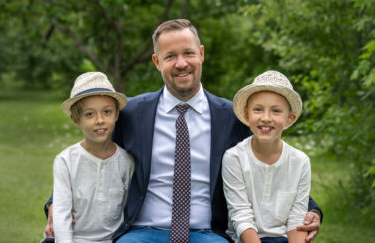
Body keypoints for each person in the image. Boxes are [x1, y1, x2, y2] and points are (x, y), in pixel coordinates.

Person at [44, 19, 322, 243]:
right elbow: (93, 155)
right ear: (156, 62)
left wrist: (311, 209)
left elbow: (269, 162)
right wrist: (55, 205)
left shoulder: (232, 118)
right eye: (170, 56)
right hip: (142, 231)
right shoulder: (132, 114)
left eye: (188, 53)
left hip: (208, 232)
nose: (181, 63)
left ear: (201, 54)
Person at [222, 70, 311, 243]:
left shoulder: (300, 162)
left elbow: (297, 219)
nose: (266, 118)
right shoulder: (234, 158)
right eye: (258, 110)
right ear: (247, 114)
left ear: (289, 119)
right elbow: (241, 216)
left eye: (276, 111)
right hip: (246, 239)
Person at [47, 72, 134, 243]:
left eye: (107, 112)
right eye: (89, 114)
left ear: (117, 115)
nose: (100, 120)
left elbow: (127, 212)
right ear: (75, 119)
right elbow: (61, 215)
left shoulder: (126, 161)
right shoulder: (65, 161)